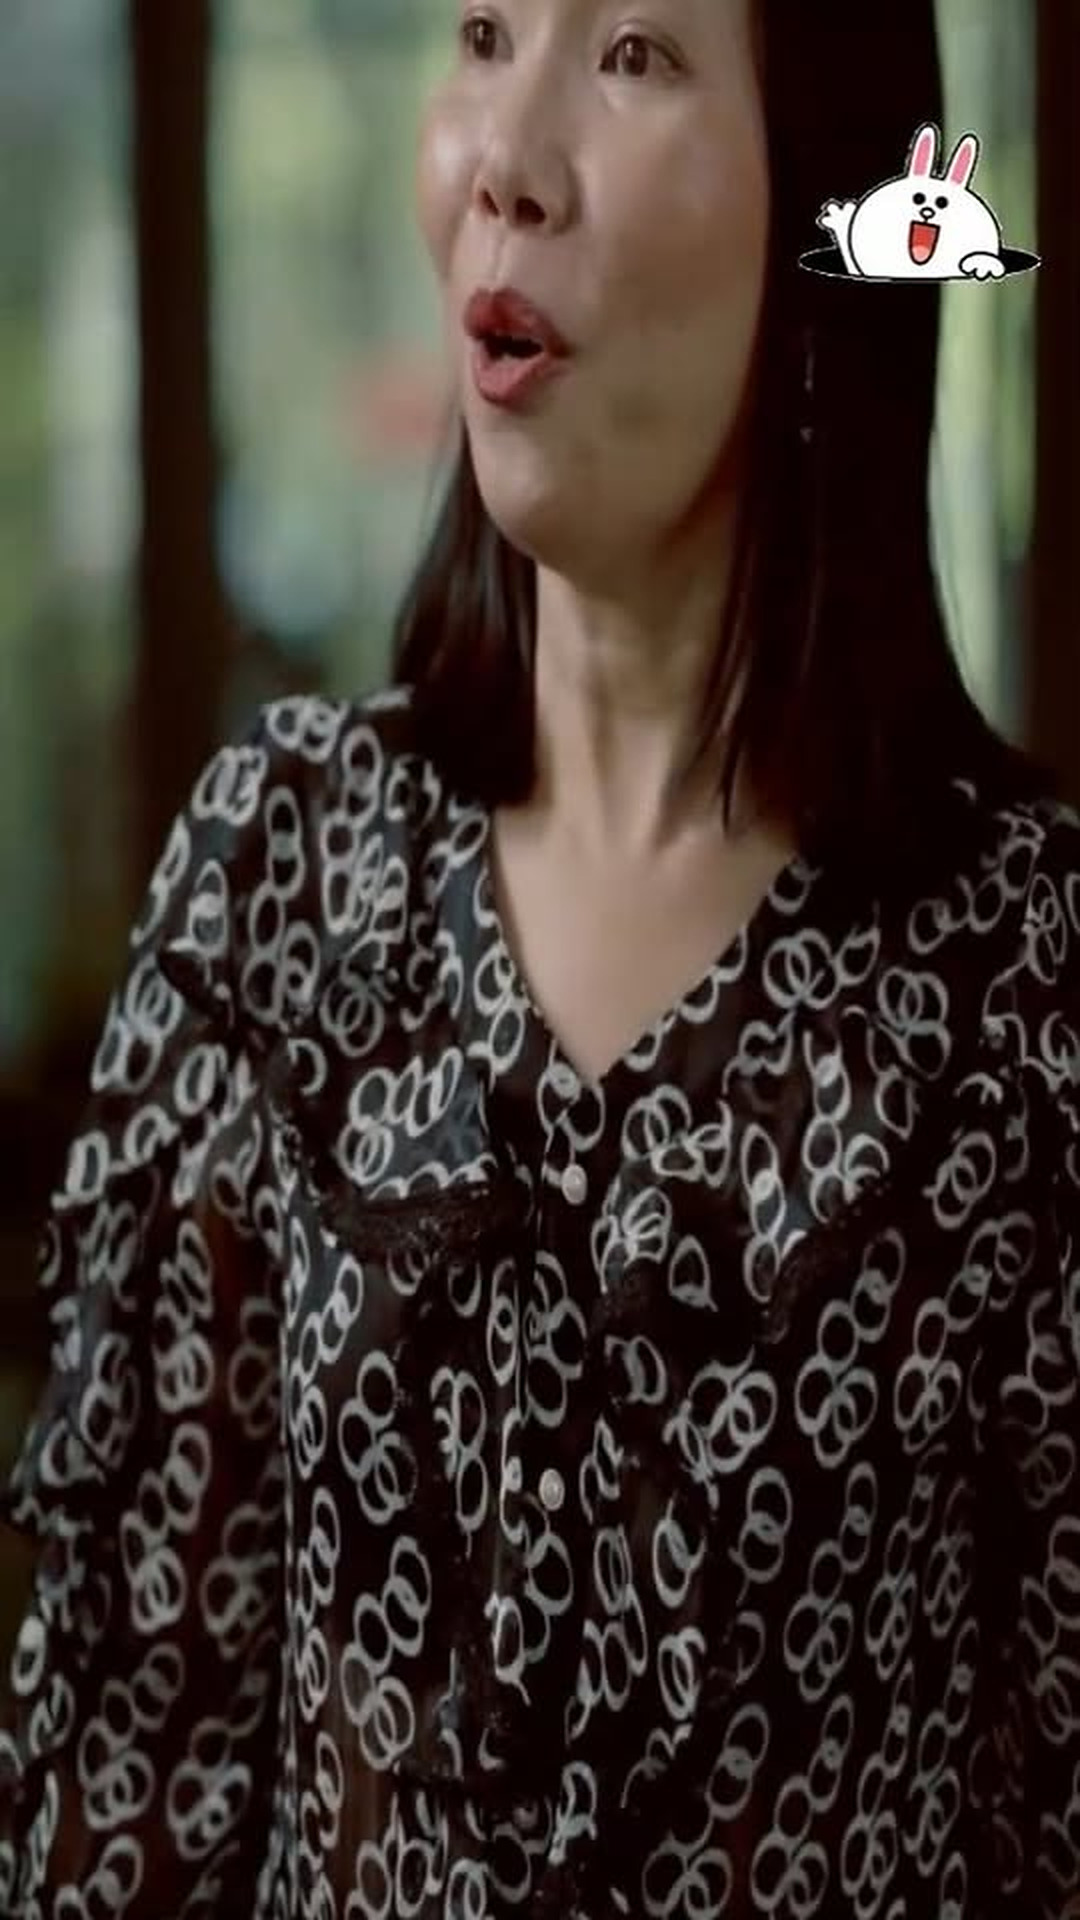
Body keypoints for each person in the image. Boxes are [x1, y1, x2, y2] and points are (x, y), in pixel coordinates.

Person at [1, 1, 1078, 1915]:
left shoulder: (1023, 972)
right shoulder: (284, 867)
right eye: (488, 31)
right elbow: (130, 1775)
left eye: (637, 55)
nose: (505, 158)